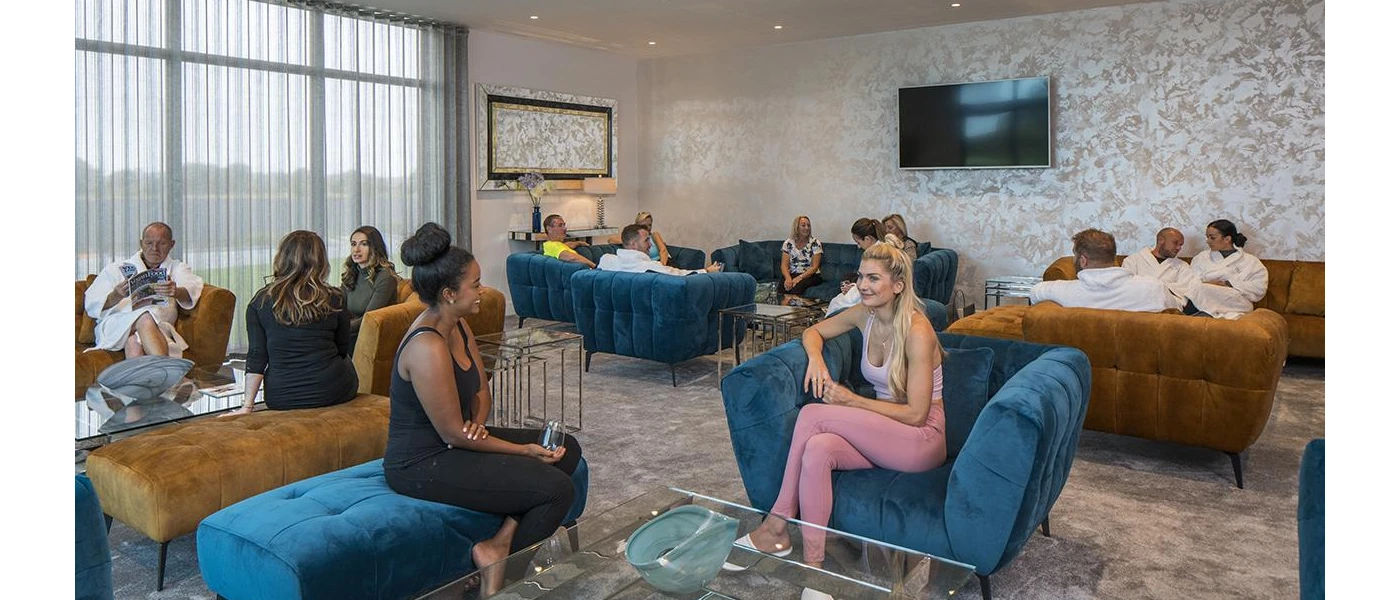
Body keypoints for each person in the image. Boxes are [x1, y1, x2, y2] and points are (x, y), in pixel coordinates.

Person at [729, 243, 946, 592]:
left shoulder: (918, 332)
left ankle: (776, 524)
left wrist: (850, 401)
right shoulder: (865, 314)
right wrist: (815, 359)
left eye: (874, 278)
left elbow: (917, 415)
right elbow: (813, 332)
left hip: (921, 440)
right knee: (817, 450)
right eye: (861, 276)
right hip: (887, 435)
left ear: (898, 285)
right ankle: (815, 569)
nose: (863, 285)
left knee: (814, 415)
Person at [384, 222, 583, 592]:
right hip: (421, 461)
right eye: (475, 284)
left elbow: (481, 390)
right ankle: (505, 583)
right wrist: (523, 450)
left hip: (456, 440)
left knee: (566, 447)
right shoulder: (426, 347)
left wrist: (478, 424)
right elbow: (451, 435)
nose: (483, 291)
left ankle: (499, 543)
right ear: (448, 293)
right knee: (557, 488)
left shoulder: (457, 324)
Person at [229, 230, 358, 414]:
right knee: (346, 363)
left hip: (282, 397)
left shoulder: (260, 301)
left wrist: (247, 405)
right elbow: (343, 348)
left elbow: (257, 357)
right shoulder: (335, 298)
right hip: (332, 390)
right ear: (321, 261)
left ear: (281, 258)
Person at [83, 222, 204, 359]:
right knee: (145, 317)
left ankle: (149, 380)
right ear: (141, 243)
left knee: (134, 343)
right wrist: (115, 296)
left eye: (162, 243)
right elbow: (91, 304)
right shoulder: (116, 268)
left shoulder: (178, 268)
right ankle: (171, 372)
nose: (154, 248)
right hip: (116, 326)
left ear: (172, 244)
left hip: (157, 327)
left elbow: (191, 289)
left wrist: (176, 291)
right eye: (149, 243)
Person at [1028, 229, 1181, 312]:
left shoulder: (1062, 291)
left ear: (1083, 260)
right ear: (1113, 257)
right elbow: (1177, 309)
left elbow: (1035, 292)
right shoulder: (1153, 287)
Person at [1184, 219, 1268, 319]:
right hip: (1203, 296)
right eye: (1207, 237)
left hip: (1235, 302)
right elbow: (1190, 282)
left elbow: (1259, 289)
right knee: (1200, 289)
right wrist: (1210, 284)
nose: (1207, 241)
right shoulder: (1201, 258)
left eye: (1212, 238)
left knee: (1201, 290)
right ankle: (1204, 314)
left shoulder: (1251, 261)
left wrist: (1228, 283)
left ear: (1227, 239)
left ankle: (1191, 315)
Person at [340, 225, 400, 342]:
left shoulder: (385, 277)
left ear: (374, 248)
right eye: (353, 244)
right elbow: (340, 308)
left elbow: (369, 319)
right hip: (350, 333)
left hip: (370, 338)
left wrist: (339, 329)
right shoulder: (351, 274)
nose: (356, 249)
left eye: (363, 244)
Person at [598, 224, 720, 275]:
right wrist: (707, 271)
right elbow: (681, 276)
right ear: (633, 244)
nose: (650, 245)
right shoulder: (650, 268)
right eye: (646, 240)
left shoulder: (607, 261)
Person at [825, 218, 888, 316]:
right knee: (837, 300)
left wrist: (855, 288)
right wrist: (854, 286)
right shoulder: (880, 249)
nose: (858, 247)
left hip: (873, 294)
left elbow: (874, 282)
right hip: (869, 290)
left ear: (867, 239)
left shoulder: (876, 255)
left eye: (858, 242)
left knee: (837, 302)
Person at [1122, 227, 1196, 299]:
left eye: (1181, 245)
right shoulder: (1132, 260)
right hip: (1137, 304)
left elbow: (1185, 289)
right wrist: (1163, 287)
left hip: (1167, 308)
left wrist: (1151, 286)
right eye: (1175, 243)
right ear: (1161, 240)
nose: (1178, 248)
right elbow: (1126, 286)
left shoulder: (1183, 266)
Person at [606, 212, 672, 266]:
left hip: (664, 263)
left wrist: (662, 266)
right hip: (649, 265)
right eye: (643, 225)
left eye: (650, 225)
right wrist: (630, 241)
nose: (648, 227)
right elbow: (610, 240)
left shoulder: (654, 235)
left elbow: (663, 250)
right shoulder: (634, 238)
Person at [781, 215, 824, 296]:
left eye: (808, 225)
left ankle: (794, 308)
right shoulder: (788, 243)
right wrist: (788, 278)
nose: (807, 228)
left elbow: (814, 267)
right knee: (782, 287)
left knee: (797, 288)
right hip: (792, 273)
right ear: (796, 227)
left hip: (810, 275)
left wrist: (799, 278)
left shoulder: (815, 243)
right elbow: (784, 266)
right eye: (803, 225)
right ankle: (781, 308)